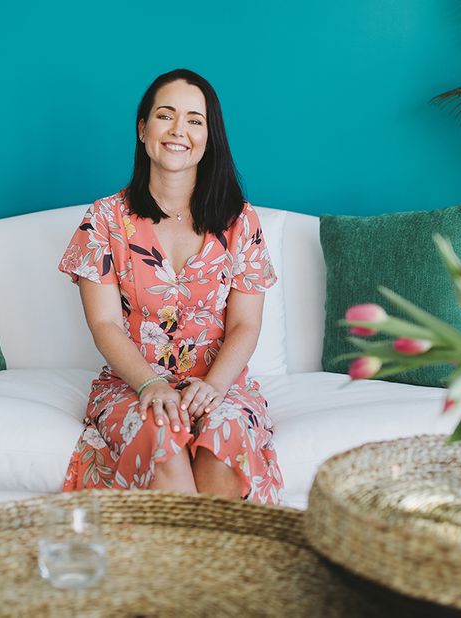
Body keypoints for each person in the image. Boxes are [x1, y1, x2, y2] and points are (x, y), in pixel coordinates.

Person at [57, 68, 283, 504]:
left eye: (195, 120)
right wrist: (150, 385)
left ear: (209, 137)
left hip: (220, 382)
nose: (179, 130)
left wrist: (215, 387)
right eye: (166, 115)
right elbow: (104, 323)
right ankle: (180, 565)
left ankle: (206, 567)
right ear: (143, 130)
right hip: (133, 382)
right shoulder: (104, 219)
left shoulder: (240, 221)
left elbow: (245, 326)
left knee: (223, 446)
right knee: (162, 442)